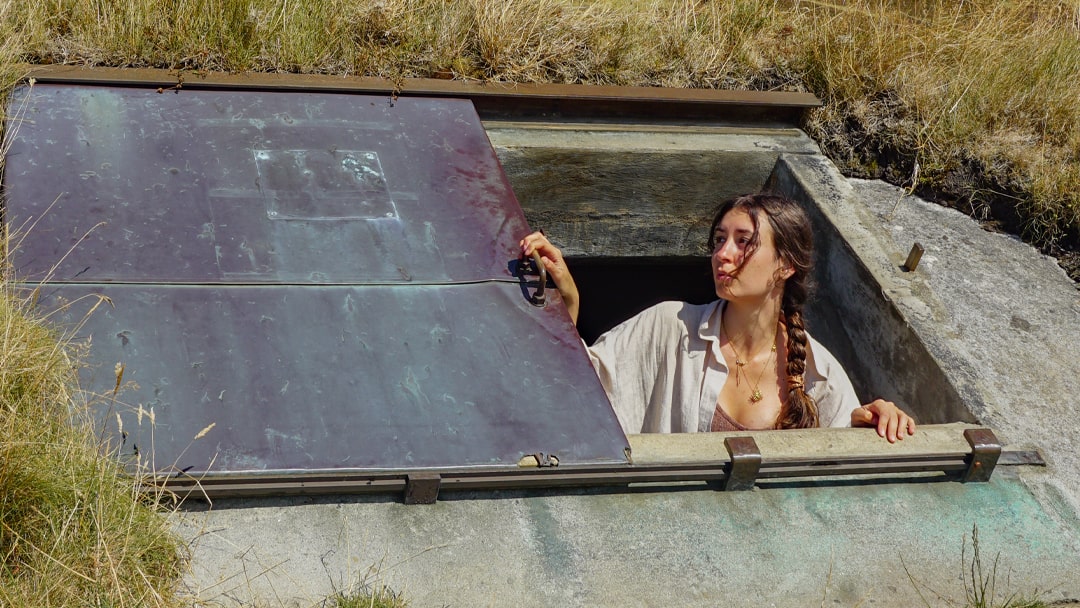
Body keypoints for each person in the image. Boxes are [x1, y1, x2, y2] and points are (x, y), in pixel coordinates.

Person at [520, 192, 916, 442]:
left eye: (744, 242)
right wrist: (567, 302)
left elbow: (843, 478)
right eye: (719, 240)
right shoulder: (669, 327)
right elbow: (577, 389)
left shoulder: (820, 374)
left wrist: (879, 422)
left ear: (785, 265)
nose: (722, 254)